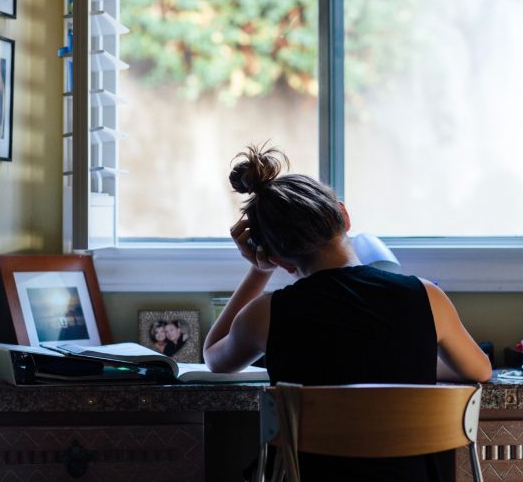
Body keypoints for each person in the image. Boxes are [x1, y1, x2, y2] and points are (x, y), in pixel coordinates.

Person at [203, 143, 492, 482]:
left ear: (278, 258)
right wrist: (411, 362)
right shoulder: (427, 296)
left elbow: (214, 357)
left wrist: (258, 270)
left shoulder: (267, 314)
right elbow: (480, 370)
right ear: (344, 215)